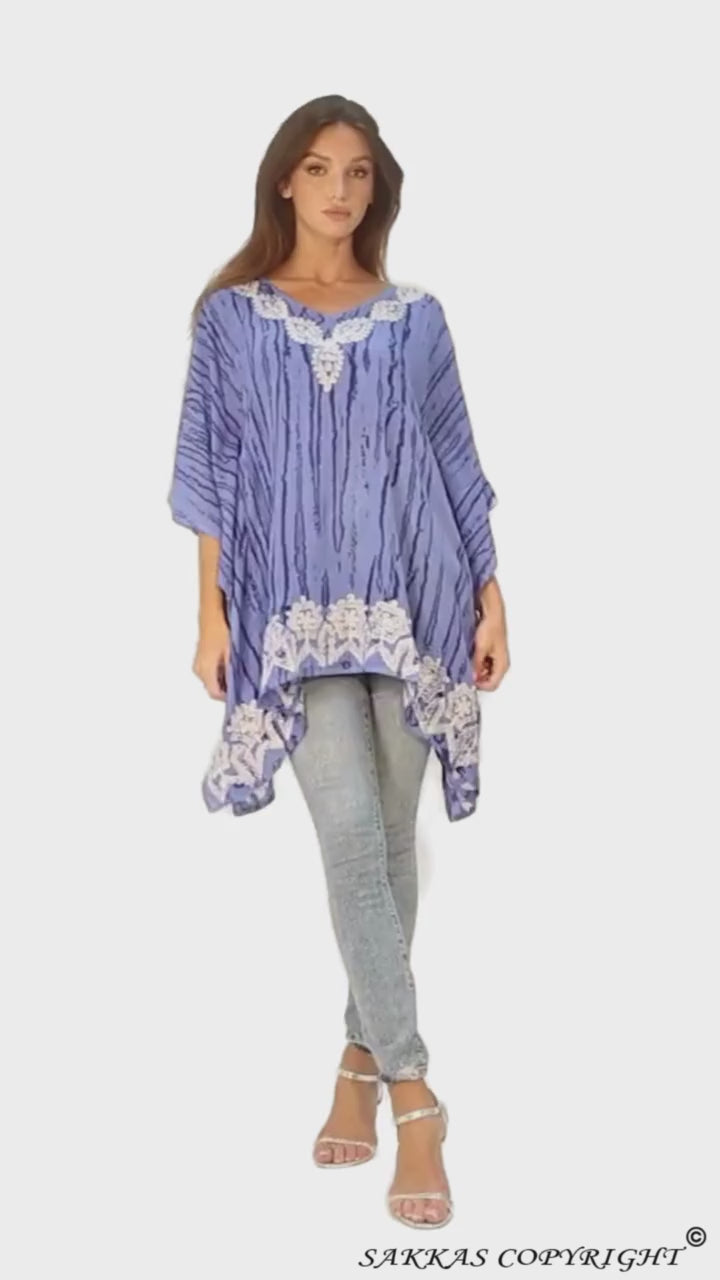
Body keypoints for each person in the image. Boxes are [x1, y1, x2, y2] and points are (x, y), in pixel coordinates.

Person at [167, 94, 510, 1229]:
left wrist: (493, 597)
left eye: (359, 172)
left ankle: (355, 1064)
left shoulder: (417, 318)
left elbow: (455, 460)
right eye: (318, 169)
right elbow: (213, 471)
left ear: (379, 188)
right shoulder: (231, 318)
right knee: (353, 832)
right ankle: (417, 1094)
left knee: (393, 846)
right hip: (290, 612)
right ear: (285, 180)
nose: (339, 191)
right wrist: (211, 614)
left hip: (420, 599)